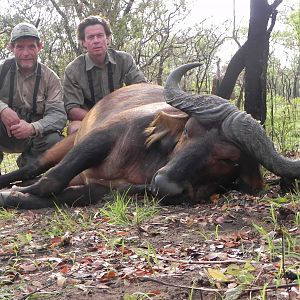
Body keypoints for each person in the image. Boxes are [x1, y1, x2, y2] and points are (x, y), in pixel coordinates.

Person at [0, 22, 67, 171]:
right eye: (20, 47)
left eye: (31, 46)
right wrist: (3, 109)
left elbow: (59, 115)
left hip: (33, 137)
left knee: (55, 141)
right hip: (3, 132)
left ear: (40, 47)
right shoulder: (2, 69)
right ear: (11, 48)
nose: (26, 53)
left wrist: (32, 127)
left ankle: (26, 170)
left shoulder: (50, 77)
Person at [63, 16, 147, 134]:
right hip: (88, 119)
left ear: (108, 39)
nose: (96, 40)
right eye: (90, 37)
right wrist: (101, 119)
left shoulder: (124, 60)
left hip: (121, 115)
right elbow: (72, 110)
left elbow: (141, 89)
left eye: (100, 35)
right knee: (74, 128)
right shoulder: (72, 70)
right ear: (83, 43)